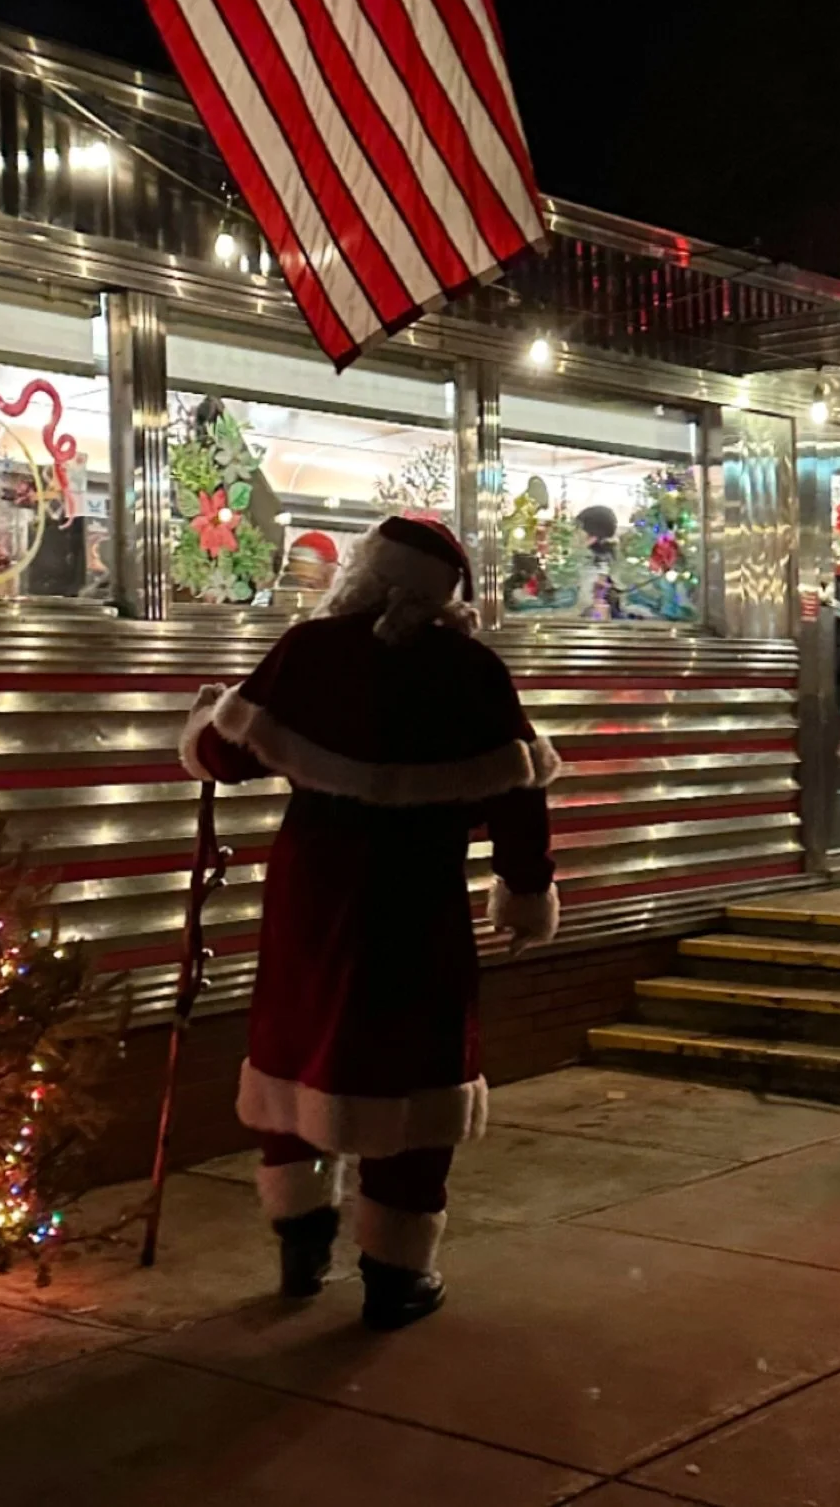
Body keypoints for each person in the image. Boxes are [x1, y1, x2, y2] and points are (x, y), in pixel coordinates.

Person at [180, 513, 559, 1331]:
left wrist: (208, 719)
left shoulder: (309, 652)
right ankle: (396, 1274)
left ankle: (300, 1241)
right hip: (419, 898)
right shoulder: (473, 671)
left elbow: (224, 757)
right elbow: (522, 795)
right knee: (417, 1068)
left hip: (313, 893)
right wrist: (524, 889)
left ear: (364, 575)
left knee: (298, 1050)